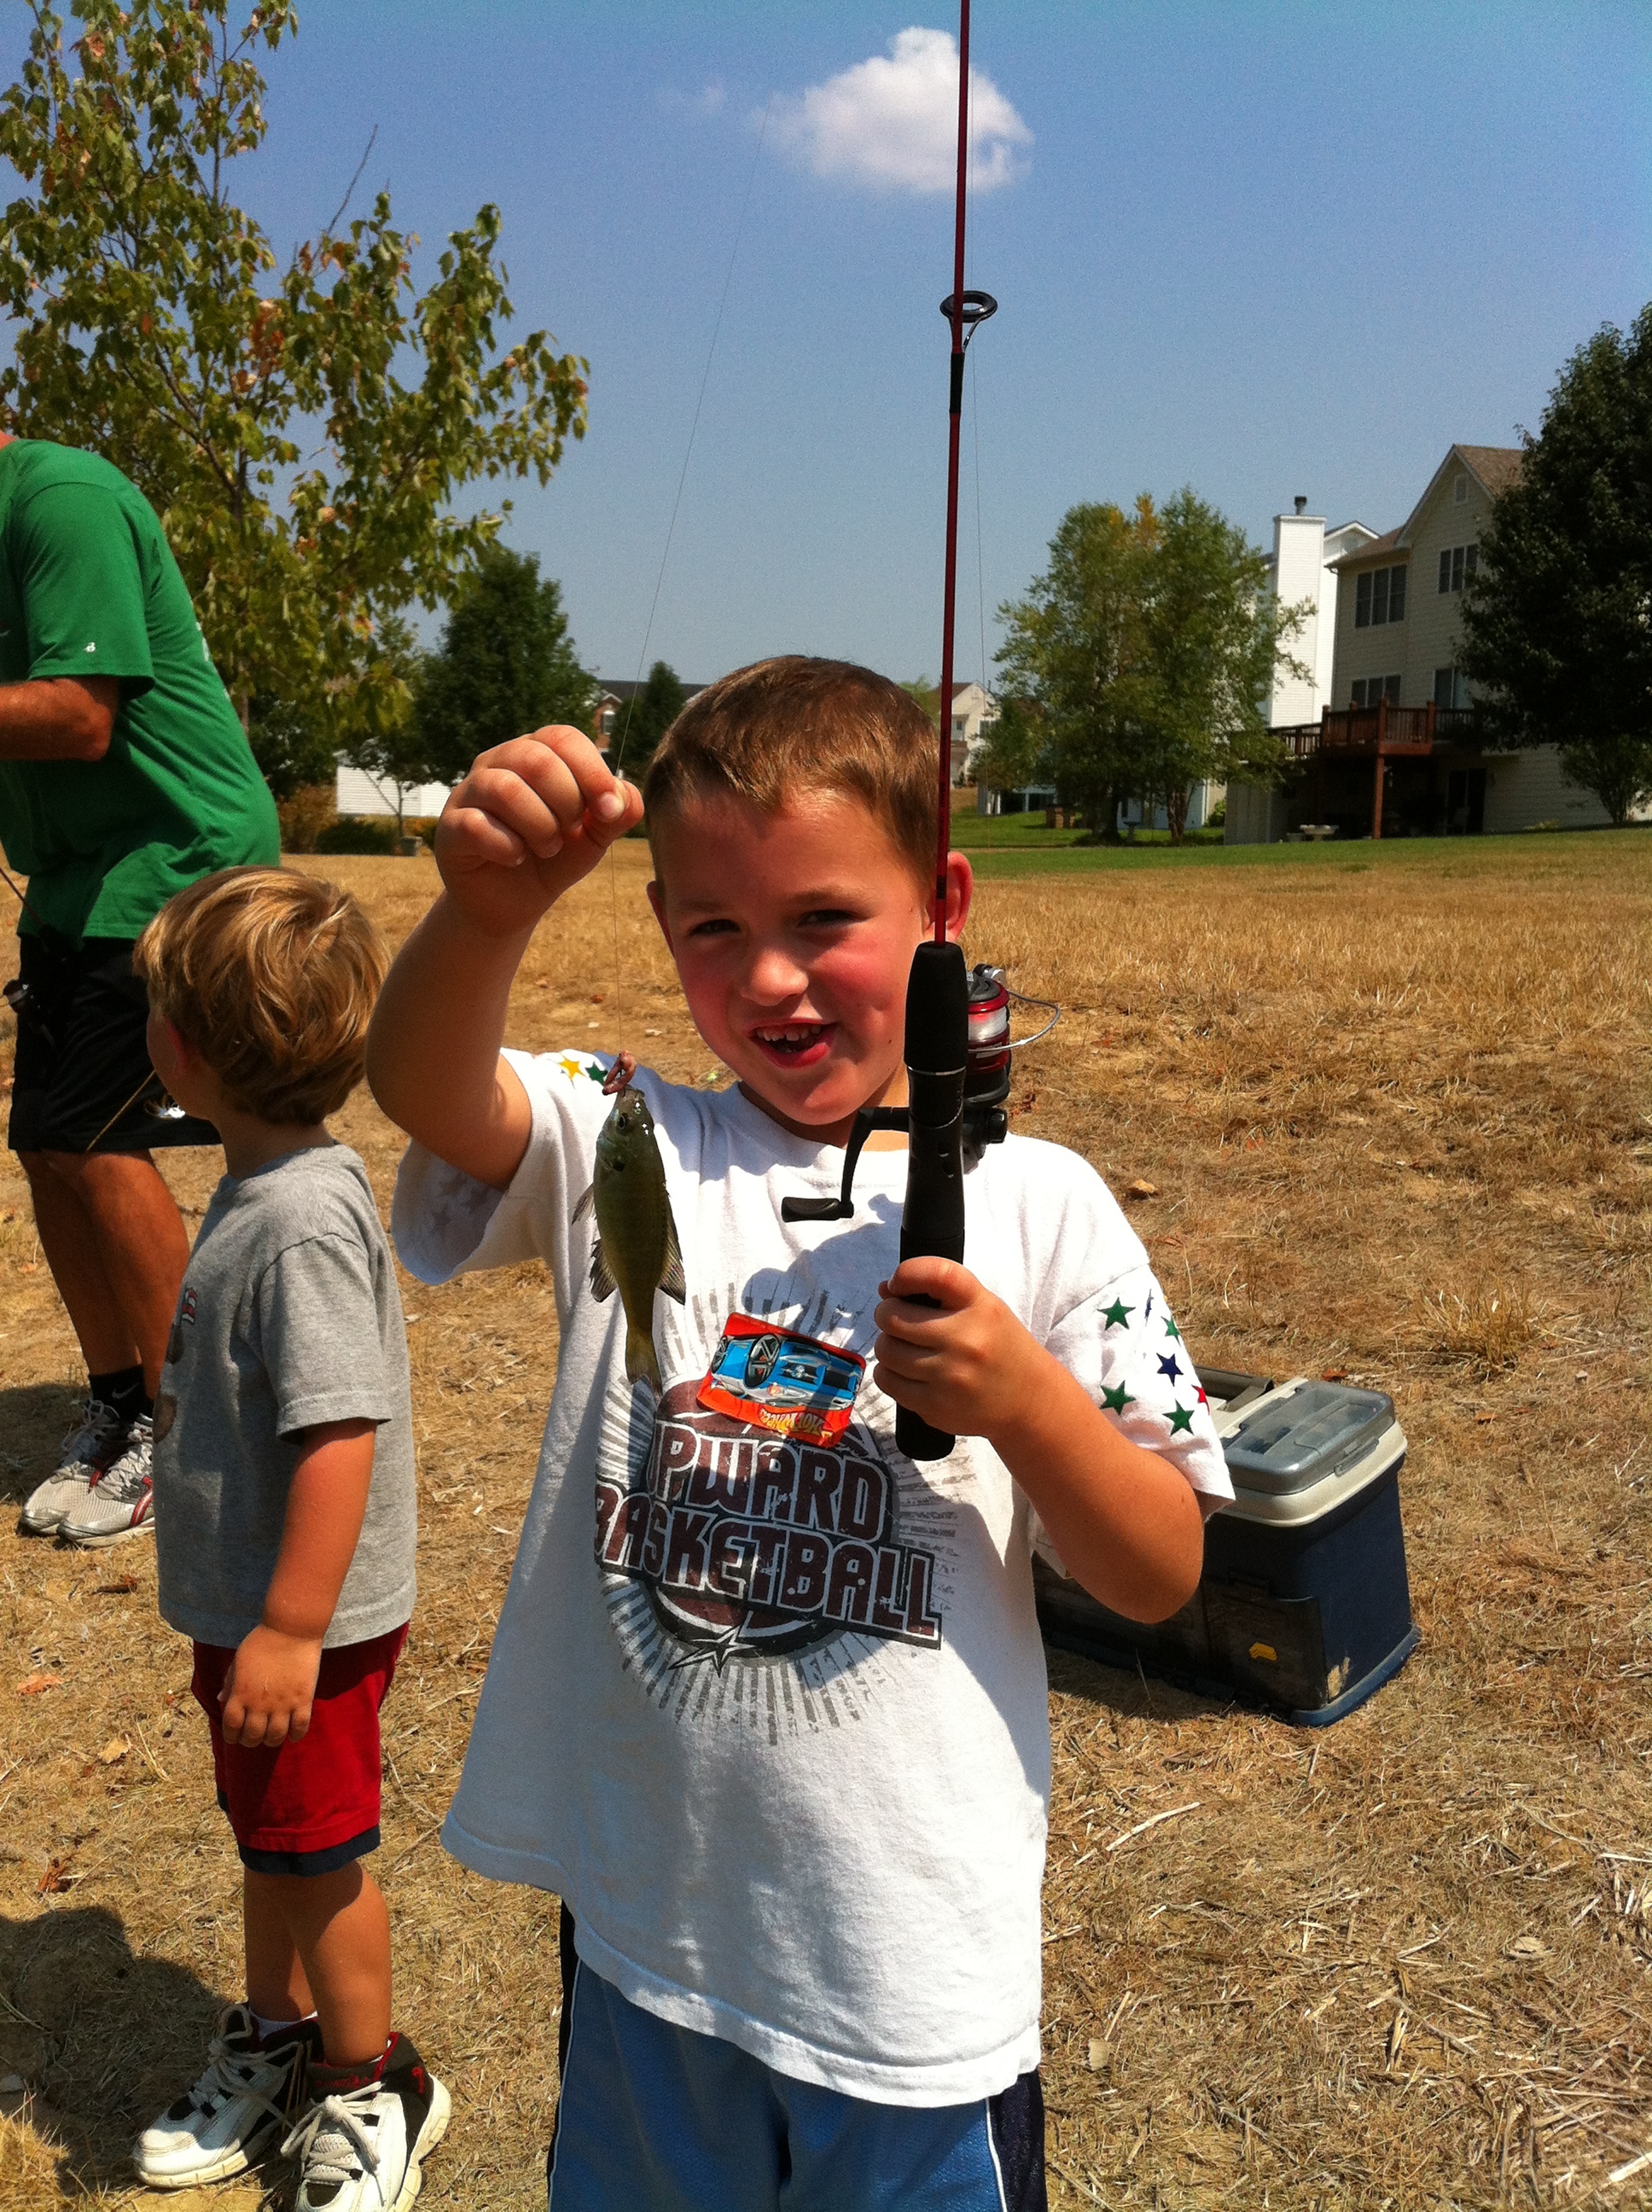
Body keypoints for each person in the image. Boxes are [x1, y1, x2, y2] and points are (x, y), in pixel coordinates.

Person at [368, 657, 1232, 2210]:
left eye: (824, 918)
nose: (770, 979)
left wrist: (1028, 1404)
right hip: (650, 1945)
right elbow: (426, 1086)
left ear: (941, 905)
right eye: (715, 928)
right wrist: (484, 916)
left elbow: (1162, 1569)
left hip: (909, 1994)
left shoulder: (1045, 1207)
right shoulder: (634, 1131)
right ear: (661, 929)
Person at [126, 868, 447, 2211]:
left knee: (319, 1858)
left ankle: (374, 2087)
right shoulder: (267, 1185)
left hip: (297, 1627)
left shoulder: (300, 1220)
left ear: (183, 1052)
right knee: (275, 1841)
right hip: (256, 1618)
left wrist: (292, 1627)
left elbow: (338, 1432)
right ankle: (276, 2033)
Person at [0, 435, 279, 1546]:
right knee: (45, 1144)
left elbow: (80, 715)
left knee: (100, 1141)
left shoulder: (59, 501)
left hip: (175, 863)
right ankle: (118, 1403)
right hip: (78, 880)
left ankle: (190, 1427)